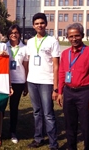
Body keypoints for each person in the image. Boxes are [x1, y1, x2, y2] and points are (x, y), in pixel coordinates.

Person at [57, 23, 89, 150]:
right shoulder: (65, 54)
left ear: (82, 36)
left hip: (85, 93)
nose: (74, 39)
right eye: (71, 36)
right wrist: (60, 92)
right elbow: (62, 74)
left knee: (86, 125)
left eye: (77, 35)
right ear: (67, 37)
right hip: (68, 93)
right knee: (69, 125)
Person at [26, 13, 59, 150]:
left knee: (48, 114)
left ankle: (53, 144)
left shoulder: (52, 41)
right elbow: (28, 62)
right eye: (37, 23)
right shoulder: (30, 41)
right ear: (33, 25)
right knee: (36, 112)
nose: (39, 25)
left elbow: (56, 65)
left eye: (42, 23)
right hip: (32, 81)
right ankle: (38, 138)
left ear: (46, 24)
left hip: (46, 81)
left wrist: (55, 87)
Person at [6, 24, 28, 144]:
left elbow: (26, 67)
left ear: (19, 34)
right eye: (11, 32)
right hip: (4, 81)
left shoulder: (24, 48)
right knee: (1, 107)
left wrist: (26, 84)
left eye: (16, 32)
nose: (13, 35)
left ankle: (12, 131)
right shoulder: (4, 46)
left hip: (18, 81)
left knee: (14, 108)